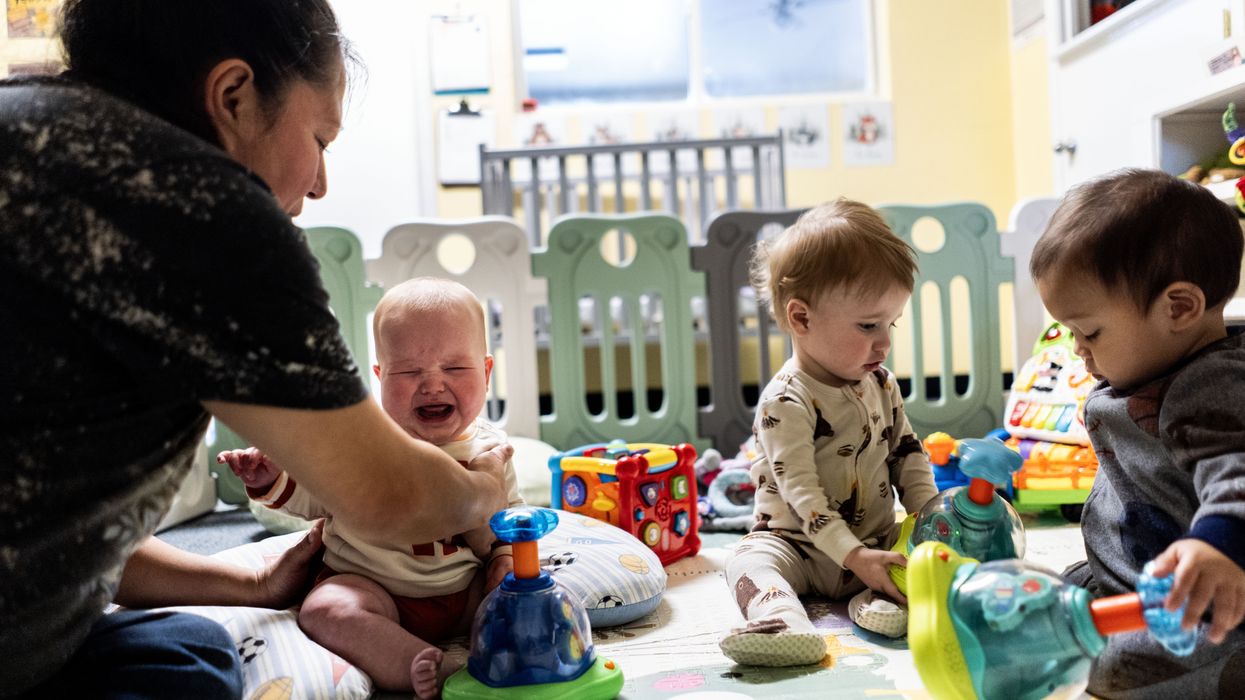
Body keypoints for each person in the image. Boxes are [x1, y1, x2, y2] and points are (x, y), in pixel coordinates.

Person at [0, 2, 510, 697]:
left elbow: (50, 526)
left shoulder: (28, 116)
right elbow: (387, 495)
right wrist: (482, 492)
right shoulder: (195, 205)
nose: (319, 183)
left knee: (185, 647)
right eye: (320, 138)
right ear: (234, 96)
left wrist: (253, 579)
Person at [220, 278, 523, 698]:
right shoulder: (363, 448)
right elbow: (312, 492)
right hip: (372, 586)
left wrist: (504, 560)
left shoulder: (493, 451)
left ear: (487, 372)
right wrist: (271, 478)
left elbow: (513, 523)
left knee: (519, 595)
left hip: (461, 592)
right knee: (325, 610)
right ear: (380, 377)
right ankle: (418, 663)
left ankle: (504, 653)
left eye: (454, 368)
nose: (432, 384)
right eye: (409, 371)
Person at [1031, 168, 1245, 699]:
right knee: (1040, 597)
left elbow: (1238, 474)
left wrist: (1220, 543)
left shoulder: (1211, 386)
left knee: (1105, 668)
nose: (1079, 349)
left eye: (1091, 332)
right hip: (1127, 577)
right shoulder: (1149, 368)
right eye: (1071, 332)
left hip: (1203, 606)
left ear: (1179, 308)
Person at [718, 199, 939, 667]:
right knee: (748, 563)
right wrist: (850, 554)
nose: (885, 342)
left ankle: (879, 605)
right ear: (801, 318)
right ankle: (782, 621)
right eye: (868, 325)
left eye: (890, 323)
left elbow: (907, 453)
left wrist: (928, 515)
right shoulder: (786, 401)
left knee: (908, 560)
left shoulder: (881, 383)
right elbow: (802, 495)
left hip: (873, 542)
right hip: (795, 545)